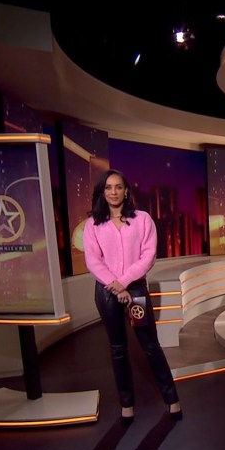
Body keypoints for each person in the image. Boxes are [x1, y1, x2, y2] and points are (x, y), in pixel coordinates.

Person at [83, 169, 182, 424]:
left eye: (118, 187)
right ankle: (126, 405)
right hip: (107, 292)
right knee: (118, 348)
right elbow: (93, 261)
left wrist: (124, 283)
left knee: (150, 345)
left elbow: (148, 256)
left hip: (135, 290)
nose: (113, 192)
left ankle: (172, 399)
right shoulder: (93, 224)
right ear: (102, 192)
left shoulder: (143, 219)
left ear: (126, 191)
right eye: (108, 188)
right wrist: (115, 286)